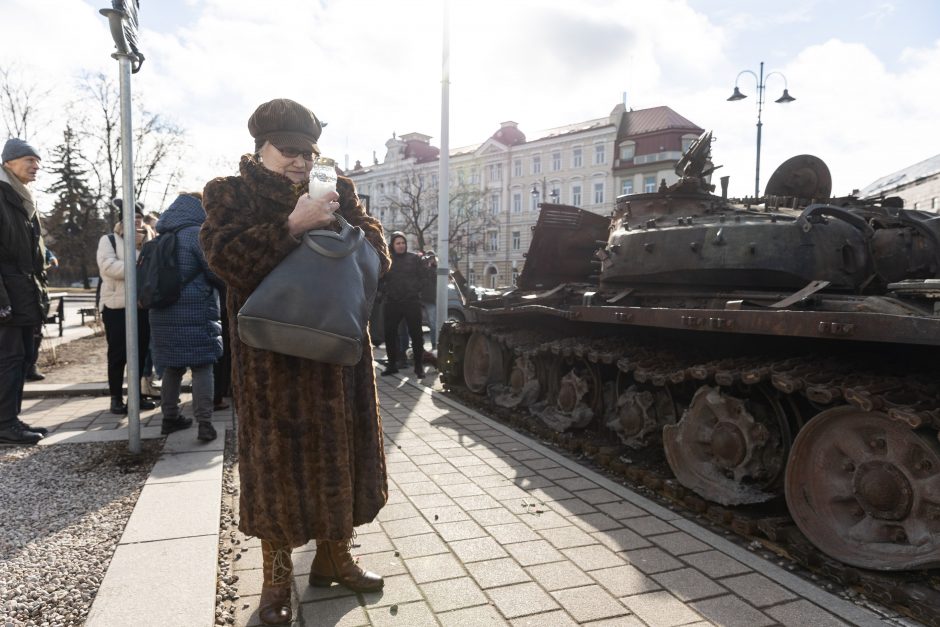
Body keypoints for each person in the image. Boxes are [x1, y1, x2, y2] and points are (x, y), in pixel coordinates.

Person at [201, 98, 391, 626]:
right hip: (271, 361)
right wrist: (291, 226)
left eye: (308, 152)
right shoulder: (228, 193)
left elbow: (378, 253)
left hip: (337, 354)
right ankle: (276, 579)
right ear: (259, 147)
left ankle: (334, 558)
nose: (300, 161)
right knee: (277, 467)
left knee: (342, 456)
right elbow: (224, 260)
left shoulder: (338, 188)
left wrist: (337, 224)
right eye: (288, 151)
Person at [149, 192, 222, 441]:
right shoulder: (195, 234)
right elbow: (214, 271)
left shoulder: (162, 236)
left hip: (162, 313)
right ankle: (205, 423)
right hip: (196, 310)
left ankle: (169, 418)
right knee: (202, 366)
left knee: (172, 367)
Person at [0, 138, 49, 445]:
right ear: (8, 163)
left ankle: (10, 419)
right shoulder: (3, 197)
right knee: (9, 359)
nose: (36, 166)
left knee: (20, 359)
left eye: (37, 162)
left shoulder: (22, 199)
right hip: (8, 298)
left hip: (23, 293)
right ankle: (5, 424)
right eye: (29, 160)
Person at [96, 200, 158, 415]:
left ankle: (136, 395)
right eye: (132, 220)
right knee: (118, 354)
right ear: (122, 222)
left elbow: (156, 269)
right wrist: (138, 262)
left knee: (140, 353)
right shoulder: (110, 241)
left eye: (140, 220)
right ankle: (115, 398)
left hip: (141, 306)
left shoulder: (150, 242)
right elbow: (108, 267)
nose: (137, 224)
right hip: (116, 307)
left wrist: (144, 248)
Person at [381, 232, 426, 378]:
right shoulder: (388, 260)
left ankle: (419, 367)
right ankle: (392, 365)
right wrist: (386, 292)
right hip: (393, 302)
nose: (401, 245)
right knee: (390, 334)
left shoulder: (414, 259)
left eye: (403, 243)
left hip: (411, 302)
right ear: (392, 245)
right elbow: (381, 279)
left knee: (416, 334)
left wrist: (415, 290)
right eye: (398, 243)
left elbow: (423, 276)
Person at [420, 249, 438, 351]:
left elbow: (434, 280)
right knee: (418, 324)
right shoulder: (422, 268)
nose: (430, 260)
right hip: (421, 298)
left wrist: (432, 267)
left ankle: (434, 344)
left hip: (431, 299)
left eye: (432, 258)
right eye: (428, 257)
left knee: (432, 323)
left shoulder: (436, 270)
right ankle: (420, 345)